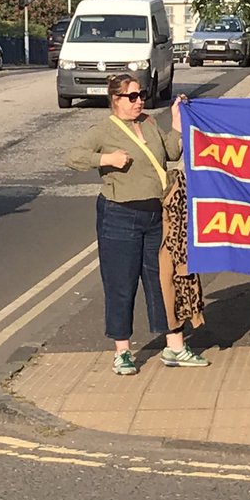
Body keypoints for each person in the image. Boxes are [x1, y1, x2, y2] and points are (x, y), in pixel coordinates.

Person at [65, 73, 208, 375]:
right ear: (115, 100)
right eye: (132, 96)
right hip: (119, 215)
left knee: (163, 281)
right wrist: (106, 159)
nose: (139, 100)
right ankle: (122, 352)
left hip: (156, 215)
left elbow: (170, 153)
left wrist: (177, 124)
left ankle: (175, 347)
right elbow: (73, 156)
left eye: (141, 94)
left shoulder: (149, 122)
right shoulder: (104, 130)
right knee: (121, 283)